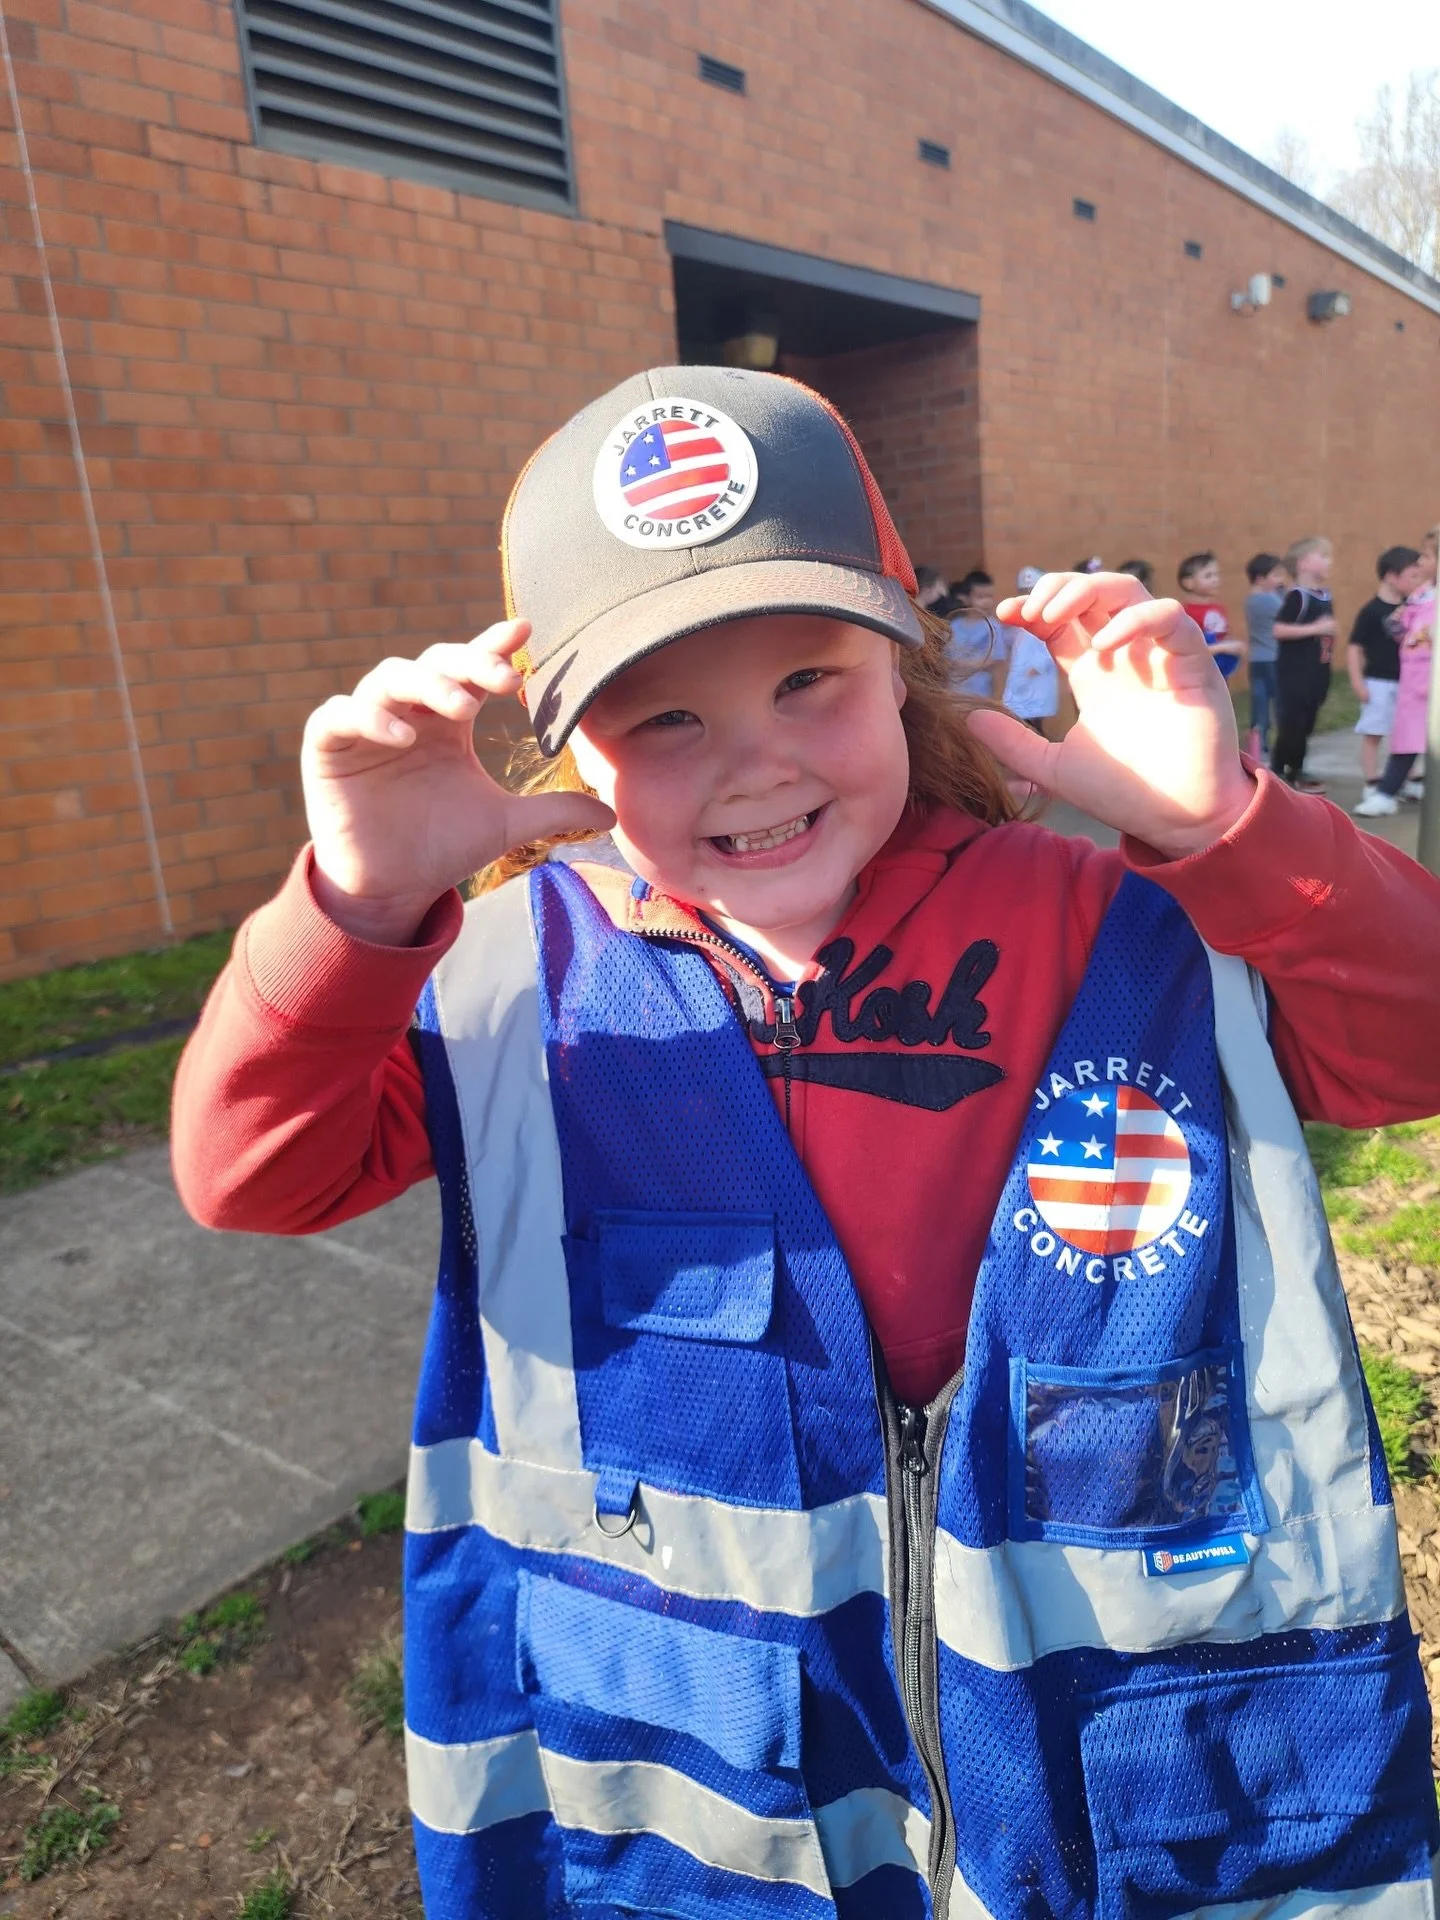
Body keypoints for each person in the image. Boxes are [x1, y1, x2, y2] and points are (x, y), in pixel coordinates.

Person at [173, 369, 1440, 1920]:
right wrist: (354, 908)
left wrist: (1223, 828)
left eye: (809, 684)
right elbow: (253, 1173)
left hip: (1111, 1768)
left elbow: (1409, 1046)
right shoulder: (507, 980)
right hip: (715, 1783)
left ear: (901, 667)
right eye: (667, 719)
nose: (757, 763)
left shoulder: (1106, 916)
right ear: (575, 755)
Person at [1358, 526, 1437, 817]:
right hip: (1414, 680)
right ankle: (1387, 792)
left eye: (1426, 556)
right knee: (1407, 738)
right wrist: (1398, 622)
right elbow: (1400, 630)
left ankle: (1388, 791)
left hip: (1430, 680)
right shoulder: (1421, 596)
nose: (1420, 562)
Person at [1347, 545, 1425, 800]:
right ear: (1392, 576)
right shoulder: (1371, 611)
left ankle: (1409, 777)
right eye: (1412, 575)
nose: (1418, 581)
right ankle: (1372, 781)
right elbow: (1354, 648)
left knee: (1408, 732)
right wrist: (1358, 682)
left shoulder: (1413, 607)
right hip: (1378, 682)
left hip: (1407, 682)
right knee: (1374, 733)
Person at [1270, 535, 1336, 792]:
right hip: (1296, 673)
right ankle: (1283, 769)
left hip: (1318, 671)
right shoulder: (1298, 596)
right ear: (1304, 563)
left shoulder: (1324, 595)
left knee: (1307, 721)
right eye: (1324, 556)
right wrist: (1314, 628)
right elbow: (1278, 629)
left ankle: (1293, 766)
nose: (1330, 562)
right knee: (1293, 722)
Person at [1002, 565, 1059, 731]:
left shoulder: (1049, 617)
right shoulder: (1020, 619)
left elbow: (1050, 651)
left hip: (1035, 682)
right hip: (1020, 682)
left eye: (1031, 590)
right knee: (1022, 724)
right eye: (1023, 590)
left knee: (1033, 727)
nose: (1027, 595)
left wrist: (1035, 669)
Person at [1243, 552, 1287, 757]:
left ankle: (1257, 748)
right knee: (1278, 704)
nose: (1280, 580)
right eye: (1276, 576)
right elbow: (1288, 612)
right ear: (1261, 579)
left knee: (1259, 704)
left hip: (1256, 660)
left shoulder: (1250, 600)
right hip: (1273, 659)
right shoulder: (1268, 600)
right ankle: (1275, 745)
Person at [1178, 551, 1243, 680]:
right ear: (1188, 583)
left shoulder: (1219, 609)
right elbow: (1190, 649)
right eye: (1208, 576)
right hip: (1198, 677)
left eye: (1216, 575)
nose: (1215, 579)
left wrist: (1234, 648)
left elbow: (1223, 636)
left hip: (1220, 676)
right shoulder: (1185, 613)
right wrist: (1223, 648)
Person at [945, 567, 1006, 697]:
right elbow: (946, 659)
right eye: (980, 597)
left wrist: (964, 666)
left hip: (981, 696)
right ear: (965, 599)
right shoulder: (952, 627)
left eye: (989, 596)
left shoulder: (993, 627)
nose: (986, 602)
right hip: (955, 695)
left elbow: (996, 661)